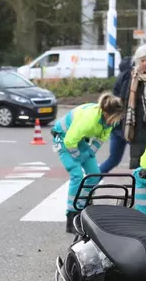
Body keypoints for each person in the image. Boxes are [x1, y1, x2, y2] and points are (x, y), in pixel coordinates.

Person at [50, 93, 125, 233]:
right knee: (77, 175)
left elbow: (100, 139)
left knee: (94, 174)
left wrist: (89, 153)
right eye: (116, 118)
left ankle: (82, 205)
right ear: (106, 113)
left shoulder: (110, 120)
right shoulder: (89, 120)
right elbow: (69, 141)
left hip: (78, 141)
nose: (117, 121)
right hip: (63, 138)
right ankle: (71, 216)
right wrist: (78, 157)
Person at [98, 56, 132, 174]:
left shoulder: (120, 77)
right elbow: (124, 99)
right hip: (124, 124)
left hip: (116, 125)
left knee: (113, 159)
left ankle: (90, 182)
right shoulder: (128, 77)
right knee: (143, 156)